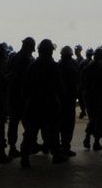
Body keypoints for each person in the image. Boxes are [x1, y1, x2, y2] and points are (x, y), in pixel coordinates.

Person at [19, 38, 68, 168]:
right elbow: (60, 87)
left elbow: (25, 87)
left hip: (34, 103)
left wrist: (26, 102)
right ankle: (56, 155)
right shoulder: (53, 66)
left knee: (30, 132)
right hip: (50, 104)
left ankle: (24, 157)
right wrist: (64, 103)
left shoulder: (33, 65)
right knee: (53, 131)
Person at [5, 36, 35, 158]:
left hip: (15, 96)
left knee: (15, 122)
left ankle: (17, 146)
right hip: (21, 97)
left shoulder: (14, 58)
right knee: (27, 123)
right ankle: (28, 145)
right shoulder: (26, 60)